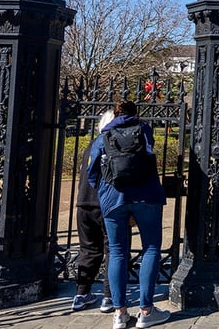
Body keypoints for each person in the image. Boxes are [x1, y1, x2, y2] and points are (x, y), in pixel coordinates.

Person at [88, 101, 170, 329]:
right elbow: (150, 155)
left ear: (114, 114)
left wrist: (105, 192)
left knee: (117, 251)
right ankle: (146, 310)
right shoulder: (144, 130)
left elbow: (91, 172)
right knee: (151, 248)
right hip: (146, 195)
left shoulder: (104, 136)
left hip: (114, 198)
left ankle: (119, 313)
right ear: (136, 113)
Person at [72, 110, 115, 313]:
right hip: (106, 204)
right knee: (112, 251)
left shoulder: (91, 145)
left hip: (83, 203)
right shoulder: (113, 144)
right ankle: (109, 296)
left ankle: (81, 294)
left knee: (88, 250)